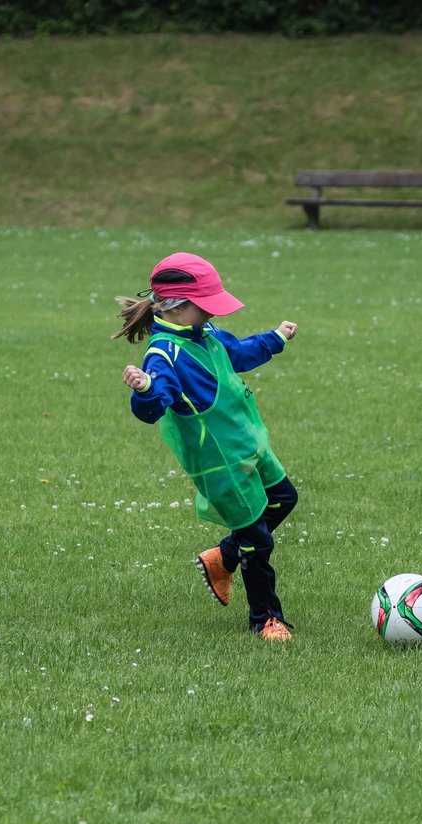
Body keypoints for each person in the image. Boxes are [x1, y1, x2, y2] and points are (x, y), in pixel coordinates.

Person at [115, 252, 300, 642]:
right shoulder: (165, 354)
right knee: (259, 541)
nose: (213, 314)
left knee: (284, 498)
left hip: (250, 446)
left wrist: (275, 338)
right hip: (222, 466)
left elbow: (239, 354)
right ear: (177, 307)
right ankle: (265, 619)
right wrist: (145, 389)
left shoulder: (207, 335)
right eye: (206, 306)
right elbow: (152, 408)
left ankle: (224, 556)